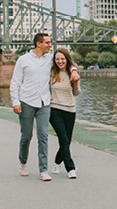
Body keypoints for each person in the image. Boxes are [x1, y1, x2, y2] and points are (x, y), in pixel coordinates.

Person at [10, 33, 79, 181]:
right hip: (27, 102)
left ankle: (43, 170)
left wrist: (74, 70)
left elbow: (68, 62)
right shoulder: (23, 60)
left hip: (44, 103)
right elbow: (15, 82)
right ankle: (23, 162)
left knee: (43, 136)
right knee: (26, 136)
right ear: (38, 44)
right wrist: (15, 102)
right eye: (47, 43)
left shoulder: (50, 59)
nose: (50, 45)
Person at [49, 48, 80, 179]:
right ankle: (71, 168)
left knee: (67, 141)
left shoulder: (72, 73)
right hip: (54, 109)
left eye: (62, 59)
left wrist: (76, 83)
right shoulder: (51, 73)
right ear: (54, 60)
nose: (60, 61)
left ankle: (57, 163)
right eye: (57, 59)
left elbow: (77, 93)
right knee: (64, 139)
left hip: (70, 110)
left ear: (67, 59)